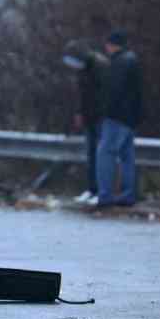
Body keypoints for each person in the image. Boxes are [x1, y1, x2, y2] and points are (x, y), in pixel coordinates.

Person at [95, 30, 142, 208]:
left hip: (116, 117)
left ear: (112, 44)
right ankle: (128, 195)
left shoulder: (118, 63)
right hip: (129, 118)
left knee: (105, 155)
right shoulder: (132, 60)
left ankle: (105, 196)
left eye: (107, 44)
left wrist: (104, 111)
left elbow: (113, 92)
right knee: (127, 157)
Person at [62, 40, 108, 206]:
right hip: (89, 116)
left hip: (101, 117)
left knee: (101, 155)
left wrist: (101, 114)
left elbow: (104, 94)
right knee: (90, 154)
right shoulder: (82, 70)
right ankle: (91, 189)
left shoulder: (100, 66)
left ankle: (102, 191)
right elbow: (82, 93)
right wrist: (79, 112)